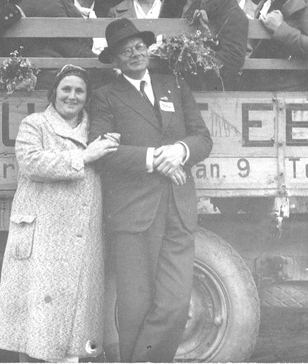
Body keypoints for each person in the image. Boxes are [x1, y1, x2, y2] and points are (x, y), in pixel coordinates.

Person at [89, 18, 212, 363]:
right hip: (132, 213)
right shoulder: (104, 97)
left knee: (175, 304)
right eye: (124, 50)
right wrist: (155, 158)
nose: (134, 53)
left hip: (177, 208)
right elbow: (100, 149)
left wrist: (180, 152)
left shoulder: (173, 84)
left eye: (139, 46)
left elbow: (203, 137)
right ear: (114, 60)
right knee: (134, 307)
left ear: (147, 48)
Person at [0, 65, 119, 363]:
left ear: (87, 97)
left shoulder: (96, 130)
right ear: (54, 92)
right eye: (66, 89)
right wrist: (83, 156)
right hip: (44, 240)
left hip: (81, 237)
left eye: (79, 91)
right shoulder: (34, 124)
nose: (72, 96)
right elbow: (32, 163)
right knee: (39, 329)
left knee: (76, 332)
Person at [160, 0, 248, 91]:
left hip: (209, 86)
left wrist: (193, 58)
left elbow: (234, 57)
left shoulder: (223, 3)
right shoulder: (172, 3)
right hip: (172, 84)